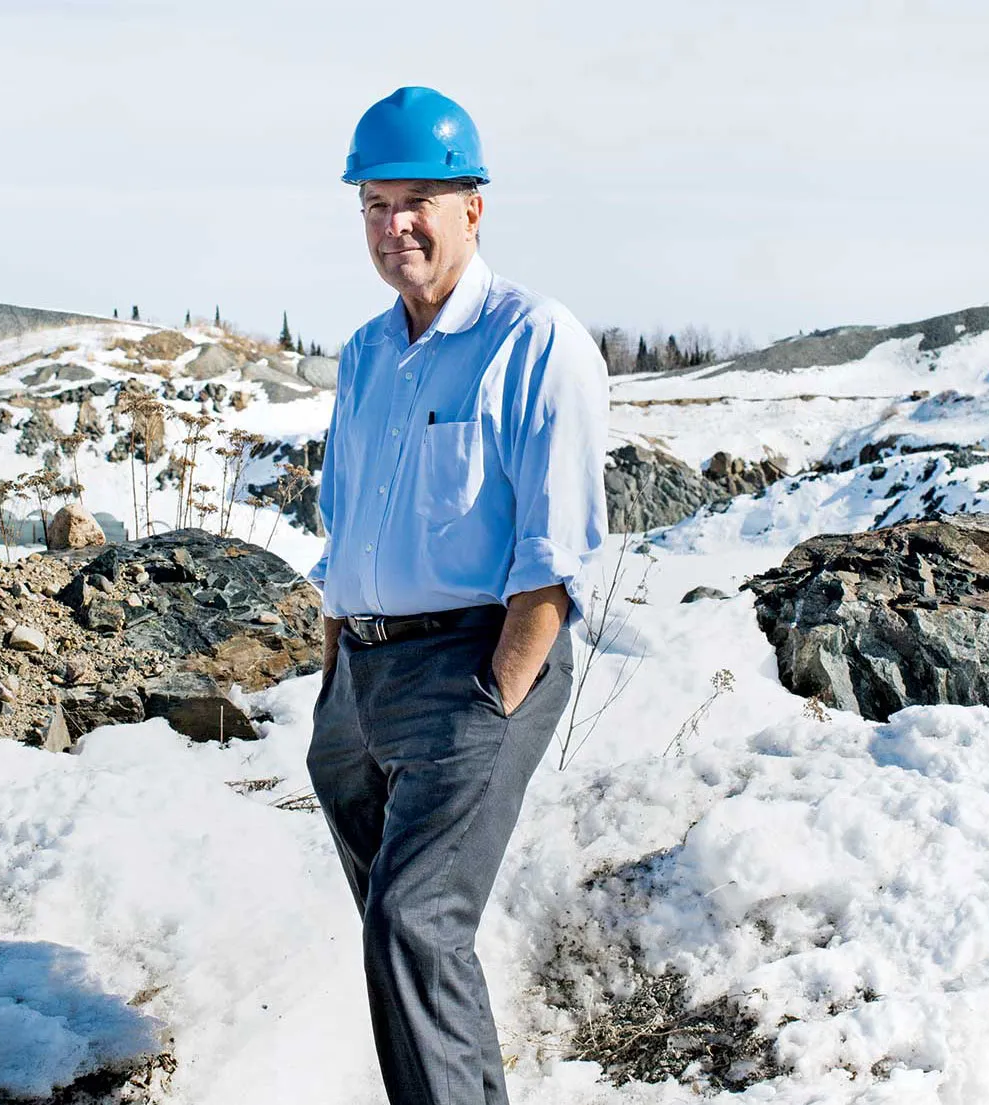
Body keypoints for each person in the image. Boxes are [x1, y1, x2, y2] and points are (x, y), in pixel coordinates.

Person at [305, 86, 609, 1105]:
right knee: (413, 944)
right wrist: (335, 673)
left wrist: (497, 692)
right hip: (359, 681)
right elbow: (344, 522)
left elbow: (553, 550)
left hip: (470, 668)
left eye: (417, 201)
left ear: (470, 206)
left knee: (411, 920)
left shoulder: (534, 340)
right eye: (375, 203)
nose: (395, 226)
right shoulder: (362, 355)